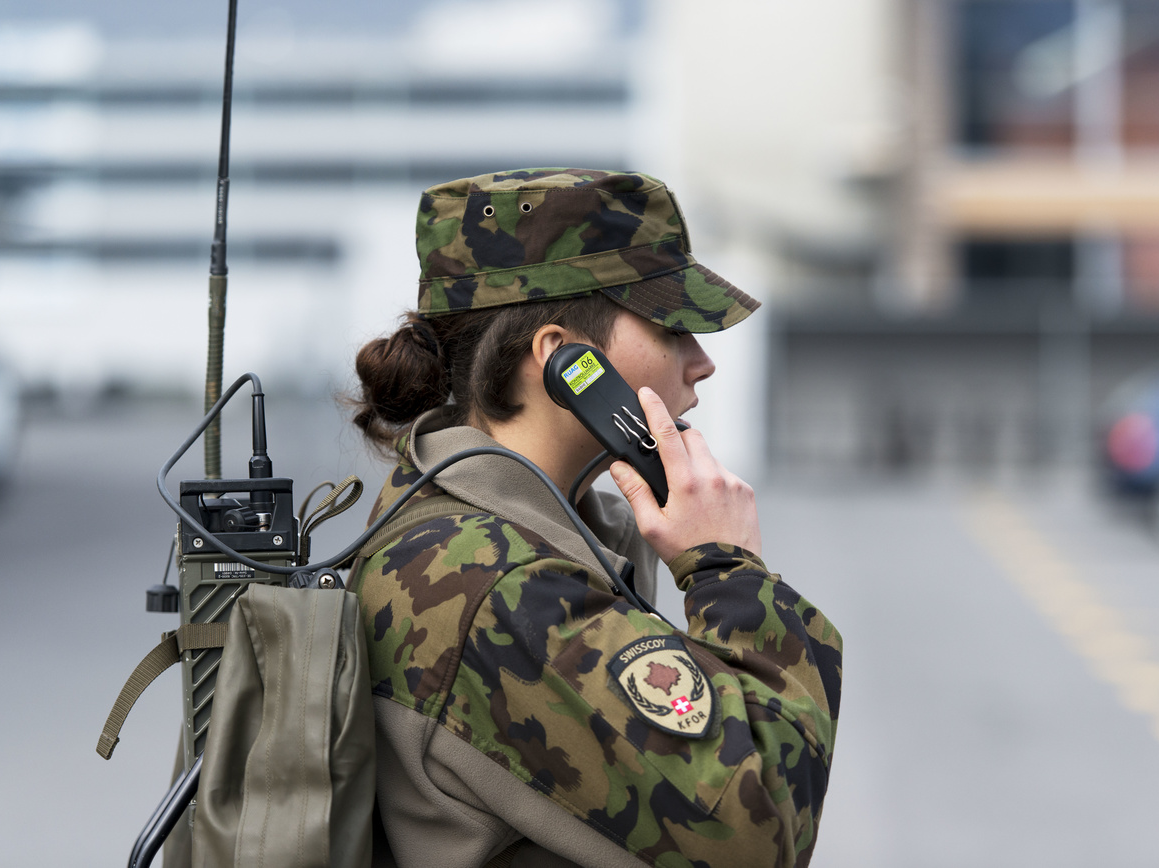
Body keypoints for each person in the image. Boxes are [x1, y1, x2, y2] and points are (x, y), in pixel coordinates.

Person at [349, 168, 842, 868]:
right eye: (672, 327)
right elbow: (754, 832)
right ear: (565, 362)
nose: (701, 362)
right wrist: (729, 572)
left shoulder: (498, 537)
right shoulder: (502, 588)